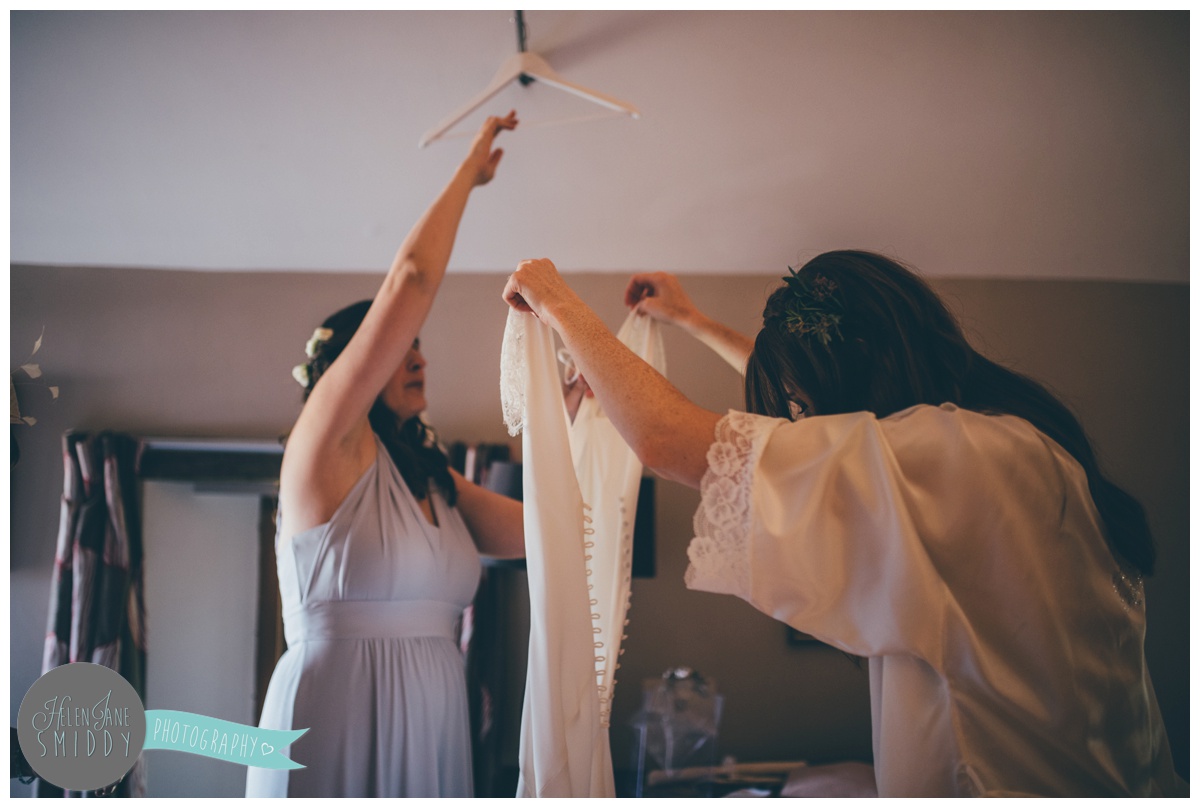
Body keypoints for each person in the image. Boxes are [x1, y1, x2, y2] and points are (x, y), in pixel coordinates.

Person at [501, 251, 1186, 797]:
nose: (804, 427)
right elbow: (832, 430)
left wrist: (556, 299)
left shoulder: (950, 456)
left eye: (804, 405)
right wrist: (692, 320)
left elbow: (671, 440)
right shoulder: (1012, 444)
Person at [245, 112, 524, 798]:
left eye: (422, 345)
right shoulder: (325, 444)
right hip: (336, 712)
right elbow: (410, 280)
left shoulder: (434, 479)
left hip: (434, 724)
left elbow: (547, 530)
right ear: (351, 369)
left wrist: (573, 414)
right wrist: (469, 174)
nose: (418, 354)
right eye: (403, 344)